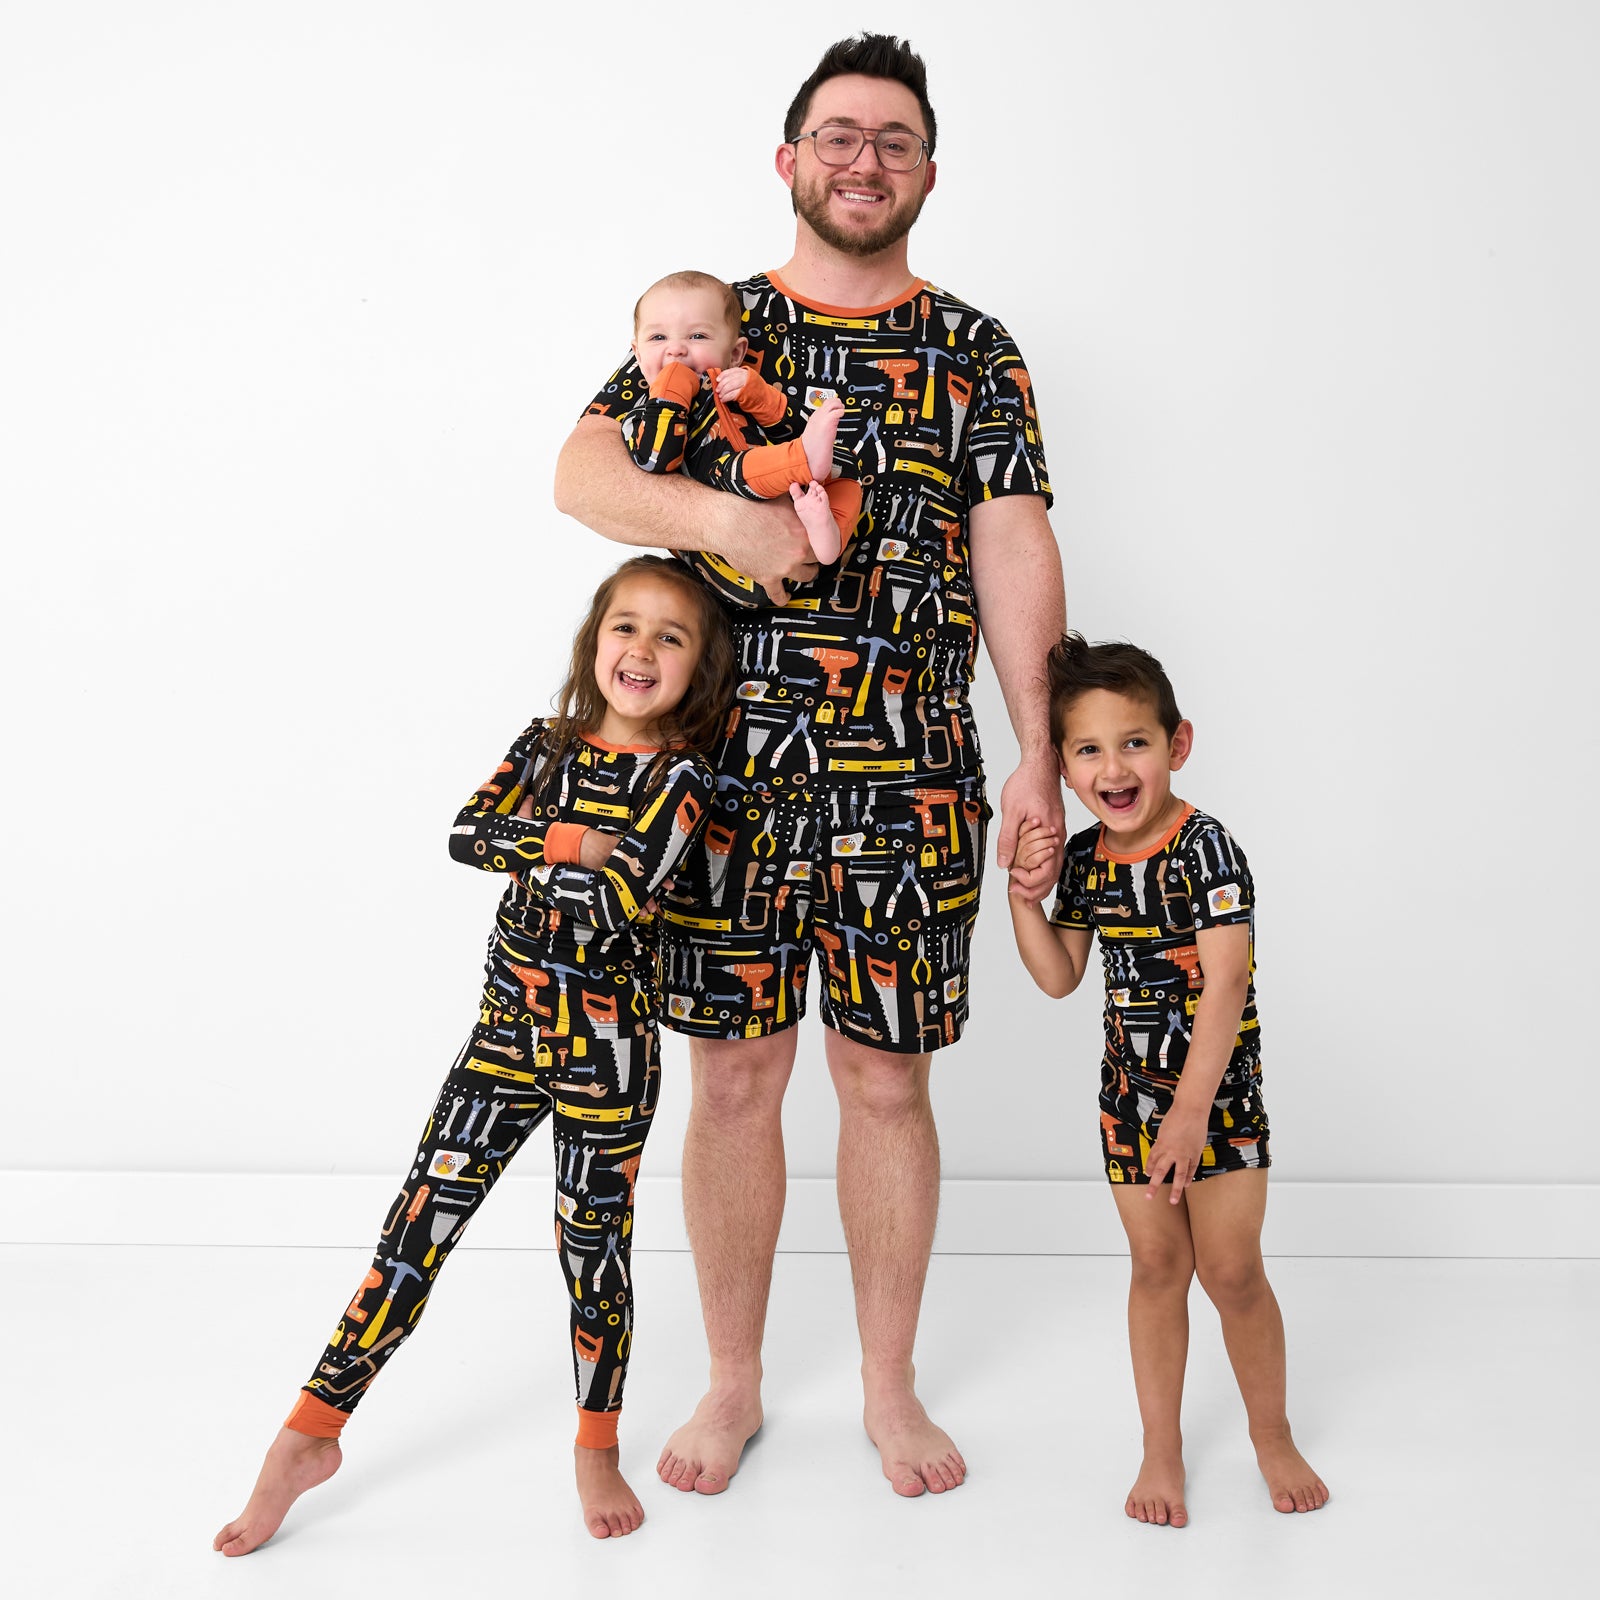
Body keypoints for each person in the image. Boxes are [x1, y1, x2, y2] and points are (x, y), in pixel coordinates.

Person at [556, 34, 1065, 1499]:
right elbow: (582, 472)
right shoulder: (712, 329)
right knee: (731, 1083)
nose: (865, 159)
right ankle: (732, 1383)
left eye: (894, 140)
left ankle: (890, 1388)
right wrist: (728, 525)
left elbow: (1014, 542)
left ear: (926, 172)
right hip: (722, 781)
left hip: (908, 781)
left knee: (887, 1082)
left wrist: (1035, 754)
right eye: (838, 135)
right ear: (788, 161)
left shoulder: (974, 350)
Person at [213, 556, 728, 1551]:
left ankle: (593, 1442)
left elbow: (623, 904)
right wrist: (577, 842)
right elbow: (465, 833)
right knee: (414, 1234)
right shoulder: (544, 744)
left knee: (593, 1251)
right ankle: (310, 1432)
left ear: (696, 666)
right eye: (628, 626)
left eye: (672, 636)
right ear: (596, 641)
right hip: (502, 1042)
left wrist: (539, 849)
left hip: (608, 1055)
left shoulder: (685, 782)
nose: (644, 649)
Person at [1007, 632, 1330, 1527]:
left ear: (1176, 745)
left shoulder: (1208, 848)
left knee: (1230, 1272)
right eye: (1089, 750)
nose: (1114, 766)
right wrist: (1022, 901)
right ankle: (1161, 1447)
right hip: (1128, 1104)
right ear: (1067, 769)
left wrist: (1191, 1117)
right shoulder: (1085, 859)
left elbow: (1228, 982)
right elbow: (1060, 975)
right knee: (1156, 1268)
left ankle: (1271, 1433)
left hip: (1216, 1104)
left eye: (1134, 743)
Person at [622, 269, 858, 584]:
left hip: (789, 506)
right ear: (637, 354)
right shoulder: (638, 418)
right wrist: (669, 392)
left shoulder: (733, 386)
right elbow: (656, 458)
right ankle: (803, 463)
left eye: (697, 336)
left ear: (735, 353)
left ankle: (827, 537)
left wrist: (758, 395)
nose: (676, 349)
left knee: (846, 469)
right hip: (727, 511)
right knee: (738, 466)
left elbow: (789, 430)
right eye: (658, 337)